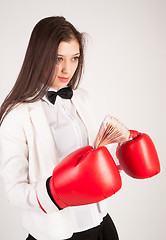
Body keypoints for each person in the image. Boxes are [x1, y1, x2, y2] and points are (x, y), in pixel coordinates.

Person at [0, 16, 120, 240]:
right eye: (58, 59)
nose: (67, 69)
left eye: (74, 58)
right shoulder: (17, 115)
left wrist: (117, 159)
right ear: (39, 58)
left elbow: (89, 158)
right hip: (57, 232)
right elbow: (14, 192)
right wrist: (56, 194)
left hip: (99, 220)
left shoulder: (82, 99)